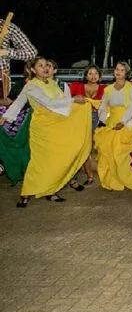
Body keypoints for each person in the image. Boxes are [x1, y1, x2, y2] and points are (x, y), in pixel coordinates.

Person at [2, 56, 91, 206]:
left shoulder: (52, 83)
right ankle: (26, 192)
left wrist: (79, 106)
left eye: (46, 65)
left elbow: (61, 105)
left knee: (55, 160)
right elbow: (38, 103)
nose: (45, 68)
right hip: (42, 129)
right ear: (32, 69)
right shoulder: (31, 86)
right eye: (40, 66)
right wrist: (5, 117)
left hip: (57, 126)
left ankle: (51, 190)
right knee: (39, 162)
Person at [94, 62, 132, 192]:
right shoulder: (108, 89)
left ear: (126, 73)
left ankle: (131, 181)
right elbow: (103, 107)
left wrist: (123, 122)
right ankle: (113, 181)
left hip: (127, 124)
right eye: (117, 69)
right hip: (112, 124)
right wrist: (101, 121)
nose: (118, 72)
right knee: (109, 153)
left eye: (122, 70)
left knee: (124, 155)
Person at [69, 65, 106, 184]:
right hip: (80, 120)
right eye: (90, 73)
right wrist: (74, 98)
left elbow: (107, 107)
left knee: (99, 148)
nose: (93, 76)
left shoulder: (105, 89)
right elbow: (64, 99)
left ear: (99, 76)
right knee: (85, 148)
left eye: (96, 74)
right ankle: (89, 176)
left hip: (98, 119)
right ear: (85, 75)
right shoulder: (77, 86)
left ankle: (103, 173)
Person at [0, 59, 34, 186]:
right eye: (29, 67)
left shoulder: (44, 84)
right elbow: (10, 101)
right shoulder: (20, 84)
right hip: (17, 115)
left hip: (33, 117)